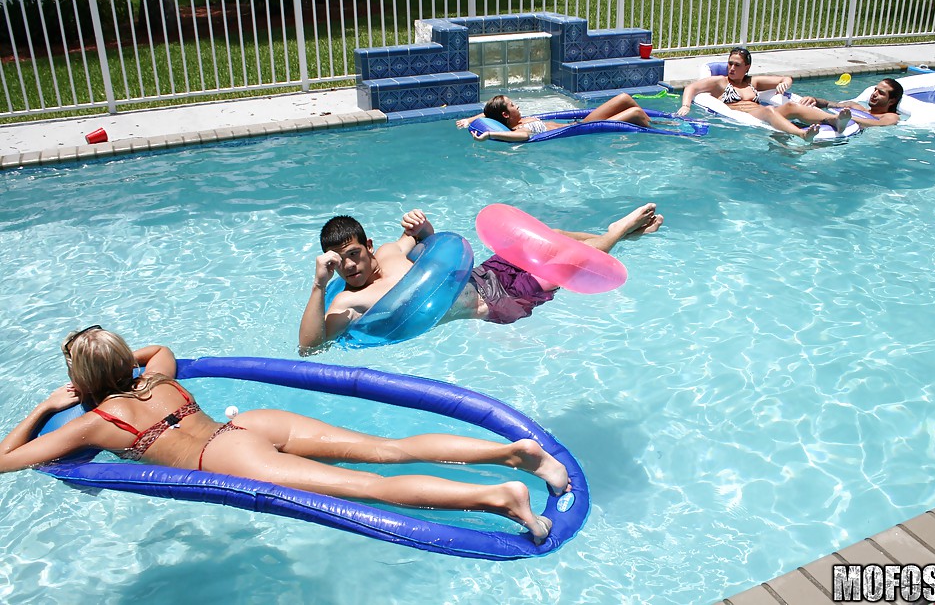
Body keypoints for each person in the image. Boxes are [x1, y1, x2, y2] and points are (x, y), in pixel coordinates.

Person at [0, 327, 569, 544]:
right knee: (388, 451)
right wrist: (123, 360)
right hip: (250, 422)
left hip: (222, 454)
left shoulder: (96, 423)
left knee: (365, 487)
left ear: (79, 380)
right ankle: (512, 453)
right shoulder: (156, 379)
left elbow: (8, 461)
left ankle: (500, 497)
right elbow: (162, 349)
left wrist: (43, 407)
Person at [298, 204, 664, 353]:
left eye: (354, 254)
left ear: (368, 245)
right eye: (340, 262)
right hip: (495, 304)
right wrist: (319, 285)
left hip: (483, 274)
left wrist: (422, 225)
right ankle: (618, 231)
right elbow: (310, 348)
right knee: (564, 264)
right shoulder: (347, 301)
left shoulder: (392, 252)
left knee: (549, 236)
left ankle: (615, 237)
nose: (349, 266)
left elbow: (428, 240)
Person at [676, 47, 822, 141]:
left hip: (764, 112)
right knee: (769, 110)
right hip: (753, 115)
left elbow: (786, 78)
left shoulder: (753, 82)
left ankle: (834, 119)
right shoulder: (720, 82)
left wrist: (785, 84)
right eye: (730, 64)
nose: (731, 68)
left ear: (747, 67)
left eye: (737, 65)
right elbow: (691, 88)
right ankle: (802, 134)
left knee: (791, 106)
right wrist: (686, 105)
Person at [456, 92, 652, 142]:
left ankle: (653, 123)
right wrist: (489, 134)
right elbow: (524, 137)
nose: (518, 105)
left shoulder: (515, 119)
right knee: (634, 113)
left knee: (624, 99)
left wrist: (470, 120)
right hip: (584, 129)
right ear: (506, 114)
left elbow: (487, 113)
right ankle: (658, 129)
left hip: (580, 123)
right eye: (513, 104)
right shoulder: (518, 129)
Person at [772, 78, 903, 129]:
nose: (874, 93)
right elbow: (828, 104)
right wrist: (815, 100)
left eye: (880, 93)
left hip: (842, 132)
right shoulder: (855, 106)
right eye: (875, 89)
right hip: (824, 122)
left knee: (792, 108)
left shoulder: (890, 116)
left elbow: (878, 124)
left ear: (892, 100)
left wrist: (847, 119)